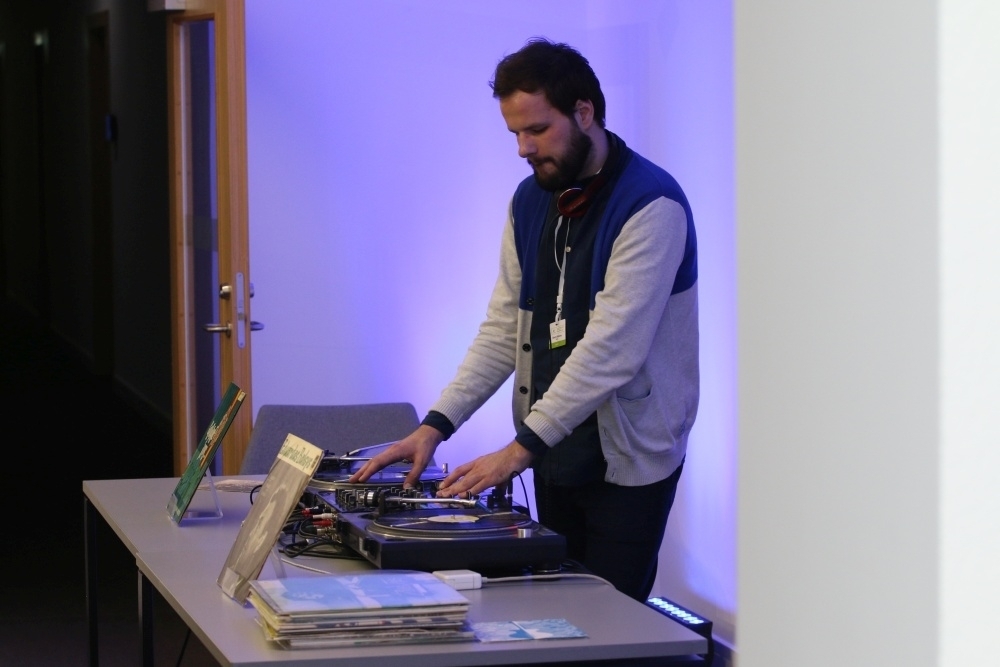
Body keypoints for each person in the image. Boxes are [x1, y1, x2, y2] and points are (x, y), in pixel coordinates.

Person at [350, 37, 698, 602]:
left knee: (612, 622)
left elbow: (611, 351)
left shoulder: (652, 207)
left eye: (536, 129)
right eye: (514, 132)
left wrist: (517, 451)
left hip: (629, 461)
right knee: (556, 612)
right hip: (554, 451)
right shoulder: (530, 200)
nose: (522, 148)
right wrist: (434, 426)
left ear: (584, 112)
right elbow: (503, 331)